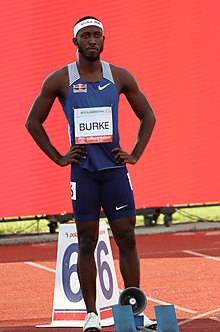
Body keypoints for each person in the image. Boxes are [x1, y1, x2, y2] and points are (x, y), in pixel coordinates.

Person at [25, 16, 157, 332]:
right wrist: (59, 157)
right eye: (86, 36)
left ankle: (135, 310)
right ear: (76, 42)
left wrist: (135, 154)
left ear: (103, 40)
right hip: (84, 174)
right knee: (86, 241)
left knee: (127, 237)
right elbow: (33, 121)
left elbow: (148, 115)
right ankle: (91, 315)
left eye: (98, 35)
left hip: (114, 172)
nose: (93, 41)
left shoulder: (120, 76)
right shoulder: (59, 80)